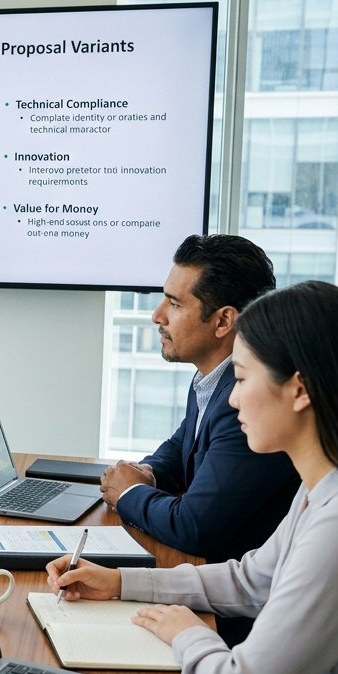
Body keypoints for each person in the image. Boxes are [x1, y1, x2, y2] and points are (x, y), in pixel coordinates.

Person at [50, 281, 338, 674]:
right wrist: (122, 582)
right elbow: (250, 580)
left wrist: (187, 633)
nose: (232, 401)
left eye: (241, 378)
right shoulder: (330, 483)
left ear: (299, 389)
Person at [100, 234, 299, 563]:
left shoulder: (249, 401)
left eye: (174, 304)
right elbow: (184, 446)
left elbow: (195, 527)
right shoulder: (214, 377)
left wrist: (130, 492)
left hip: (238, 598)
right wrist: (148, 471)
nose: (157, 315)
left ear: (223, 320)